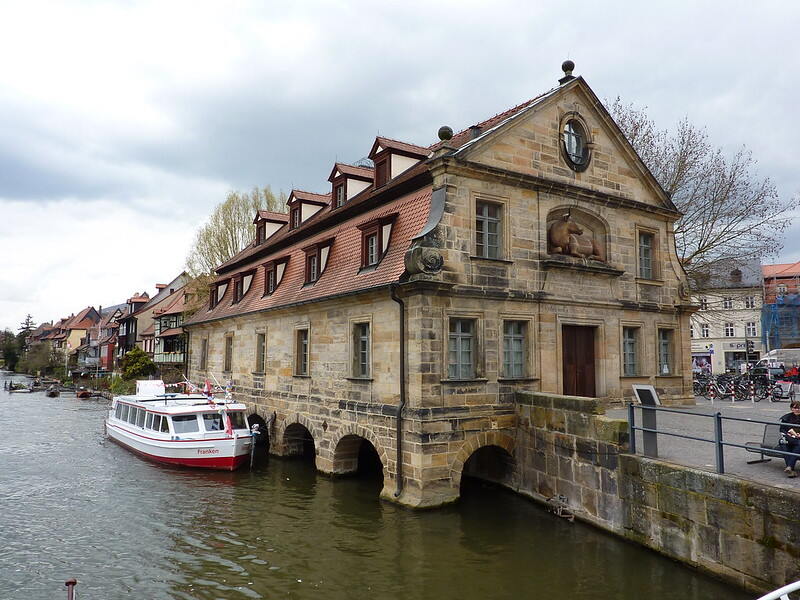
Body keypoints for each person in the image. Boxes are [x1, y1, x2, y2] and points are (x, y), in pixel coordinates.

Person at [778, 400, 800, 478]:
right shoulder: (786, 417)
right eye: (795, 408)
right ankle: (790, 469)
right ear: (791, 409)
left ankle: (790, 467)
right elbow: (782, 429)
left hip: (797, 440)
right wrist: (789, 433)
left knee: (799, 444)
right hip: (789, 439)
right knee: (782, 443)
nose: (797, 409)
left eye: (799, 408)